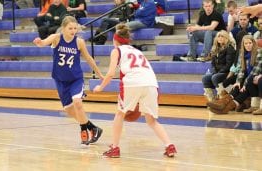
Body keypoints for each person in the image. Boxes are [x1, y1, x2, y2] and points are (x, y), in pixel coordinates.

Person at [93, 23, 176, 158]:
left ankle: (115, 148)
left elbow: (110, 74)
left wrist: (100, 87)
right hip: (151, 83)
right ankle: (169, 145)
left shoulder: (116, 50)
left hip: (132, 82)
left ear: (115, 40)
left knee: (120, 113)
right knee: (151, 121)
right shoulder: (137, 51)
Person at [33, 16, 104, 145]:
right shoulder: (56, 38)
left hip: (75, 79)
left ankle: (84, 130)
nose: (73, 30)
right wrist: (39, 42)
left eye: (75, 28)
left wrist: (99, 74)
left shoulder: (79, 42)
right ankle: (93, 128)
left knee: (77, 103)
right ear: (63, 28)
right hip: (60, 80)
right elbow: (43, 43)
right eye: (70, 28)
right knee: (68, 110)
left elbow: (88, 58)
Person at [207, 36, 262, 114]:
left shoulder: (259, 52)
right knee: (238, 84)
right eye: (246, 43)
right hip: (248, 76)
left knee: (248, 82)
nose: (248, 45)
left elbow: (256, 70)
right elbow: (241, 70)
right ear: (243, 45)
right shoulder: (242, 53)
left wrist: (245, 84)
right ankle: (224, 105)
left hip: (256, 75)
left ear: (253, 43)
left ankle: (225, 105)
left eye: (250, 43)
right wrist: (238, 82)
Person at [202, 30, 236, 102]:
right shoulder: (215, 49)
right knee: (205, 78)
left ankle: (222, 98)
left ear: (227, 38)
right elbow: (213, 64)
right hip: (218, 72)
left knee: (215, 77)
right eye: (219, 36)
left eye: (222, 36)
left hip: (228, 73)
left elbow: (229, 65)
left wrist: (218, 72)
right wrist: (214, 70)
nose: (220, 38)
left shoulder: (230, 49)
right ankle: (212, 100)